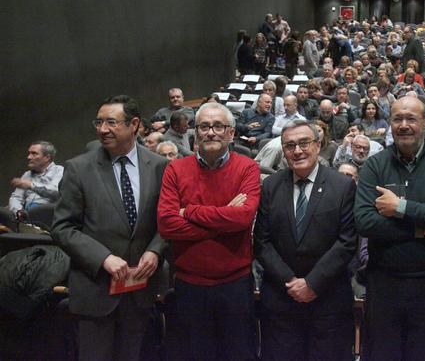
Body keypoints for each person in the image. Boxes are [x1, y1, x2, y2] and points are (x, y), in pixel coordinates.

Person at [51, 95, 169, 361]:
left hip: (140, 291)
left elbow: (167, 220)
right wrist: (103, 258)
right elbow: (63, 227)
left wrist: (155, 250)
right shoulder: (78, 168)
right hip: (96, 290)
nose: (102, 129)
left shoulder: (159, 166)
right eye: (99, 122)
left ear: (134, 124)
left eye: (111, 122)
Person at [354, 96, 425, 361]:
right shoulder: (374, 165)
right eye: (397, 119)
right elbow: (365, 221)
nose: (404, 125)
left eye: (411, 118)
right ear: (390, 124)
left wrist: (400, 207)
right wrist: (421, 229)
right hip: (384, 283)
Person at [157, 102, 260, 360]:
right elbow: (167, 224)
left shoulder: (247, 168)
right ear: (196, 132)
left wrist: (190, 211)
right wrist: (225, 218)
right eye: (204, 126)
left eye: (218, 126)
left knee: (238, 355)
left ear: (231, 133)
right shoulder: (175, 169)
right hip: (190, 284)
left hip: (235, 284)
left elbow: (244, 218)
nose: (210, 132)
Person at [254, 120, 357, 361]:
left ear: (318, 145)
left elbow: (347, 242)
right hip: (282, 300)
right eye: (290, 146)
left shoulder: (342, 185)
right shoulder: (270, 186)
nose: (297, 151)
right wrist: (291, 281)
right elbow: (262, 241)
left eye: (304, 143)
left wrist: (312, 283)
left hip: (328, 299)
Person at [7, 141, 63, 215]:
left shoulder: (59, 171)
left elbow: (56, 192)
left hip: (48, 215)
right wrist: (18, 212)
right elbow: (16, 197)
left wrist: (31, 185)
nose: (29, 157)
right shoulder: (27, 174)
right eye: (29, 153)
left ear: (47, 157)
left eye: (34, 153)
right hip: (27, 215)